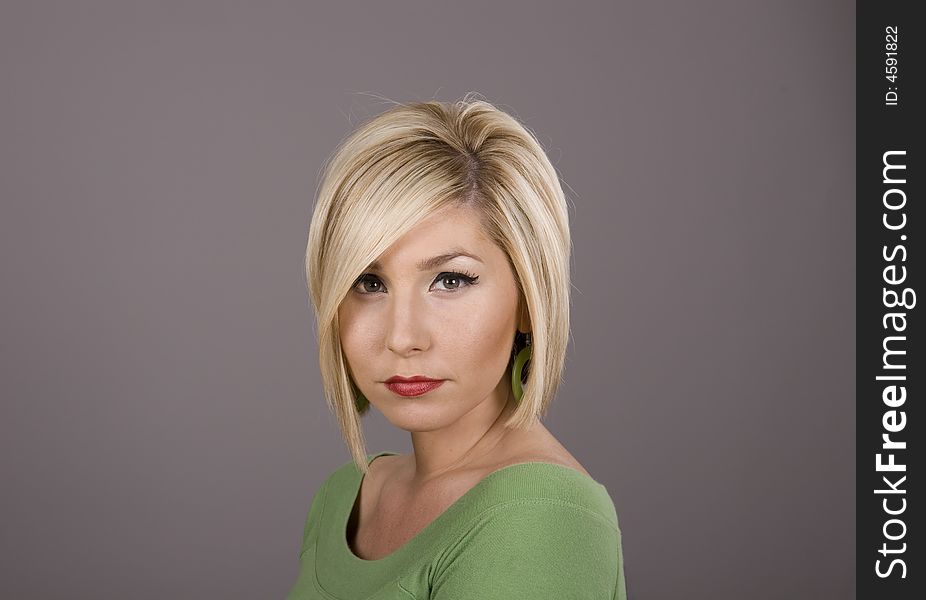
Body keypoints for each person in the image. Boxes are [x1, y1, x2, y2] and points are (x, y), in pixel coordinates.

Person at [286, 94, 627, 599]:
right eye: (369, 283)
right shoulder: (344, 498)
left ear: (529, 299)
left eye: (449, 280)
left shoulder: (541, 516)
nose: (402, 337)